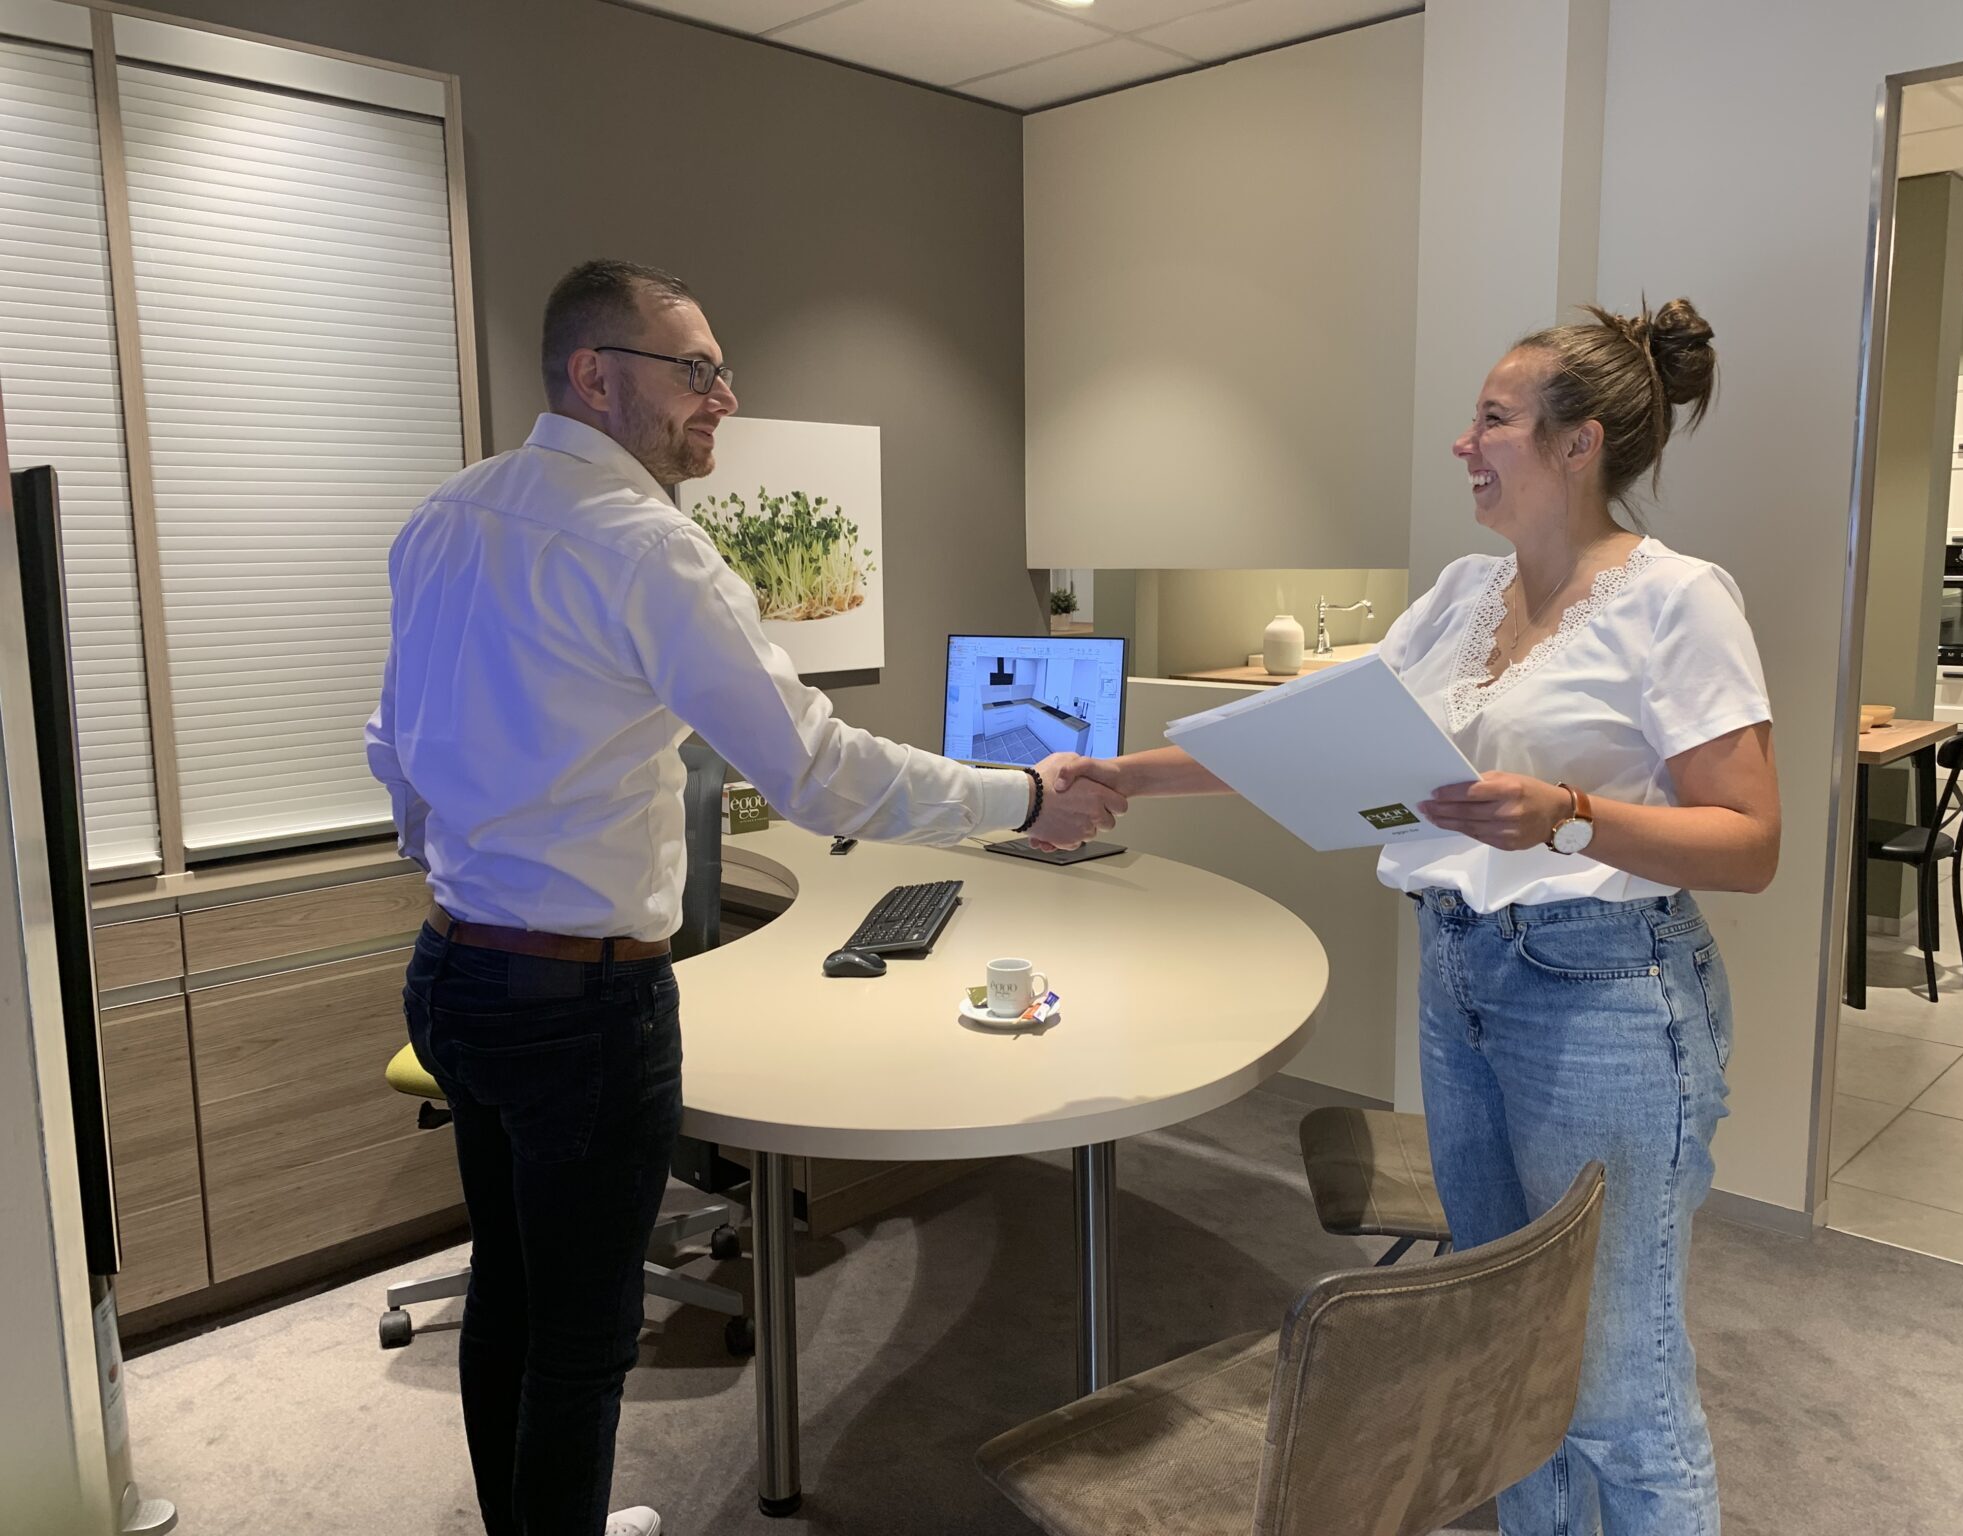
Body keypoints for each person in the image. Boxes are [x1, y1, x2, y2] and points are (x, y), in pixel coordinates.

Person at [365, 258, 1124, 1536]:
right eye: (695, 370)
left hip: (453, 971)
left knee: (512, 1294)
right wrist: (1020, 795)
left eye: (722, 371)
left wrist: (461, 868)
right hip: (578, 1005)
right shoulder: (645, 547)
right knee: (580, 1342)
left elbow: (391, 743)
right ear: (593, 374)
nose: (723, 396)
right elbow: (817, 771)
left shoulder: (449, 513)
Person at [1049, 299, 1779, 1536]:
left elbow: (1748, 844)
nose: (1461, 442)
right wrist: (1122, 775)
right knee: (1499, 1346)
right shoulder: (1460, 596)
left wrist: (1565, 814)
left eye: (1491, 418)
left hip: (1604, 997)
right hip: (1461, 978)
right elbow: (1305, 741)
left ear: (1576, 444)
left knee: (1614, 1377)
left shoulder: (1676, 599)